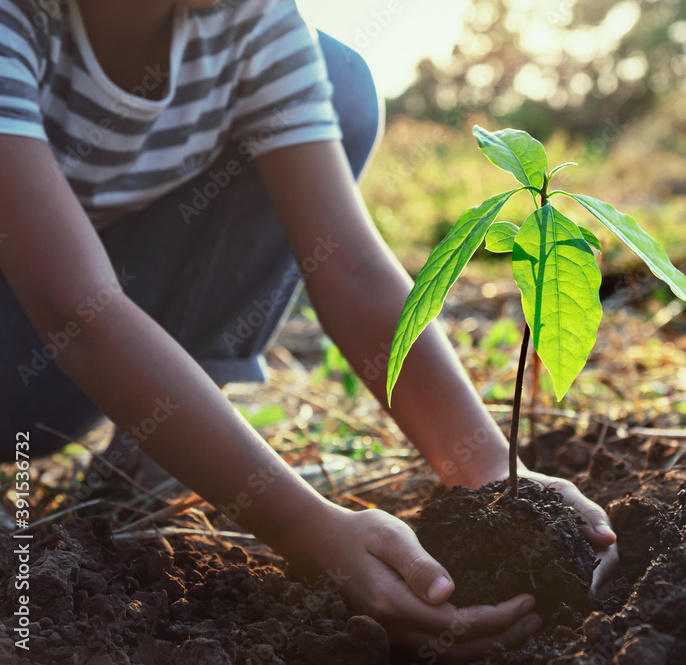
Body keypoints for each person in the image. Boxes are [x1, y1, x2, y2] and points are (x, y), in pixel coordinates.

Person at [0, 0, 618, 657]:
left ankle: (158, 448)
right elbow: (76, 309)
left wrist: (492, 470)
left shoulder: (245, 18)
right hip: (34, 344)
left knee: (337, 81)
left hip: (70, 362)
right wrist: (306, 528)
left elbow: (349, 269)